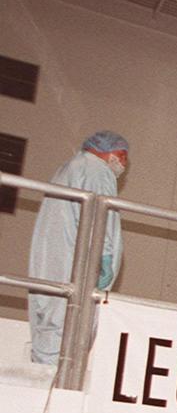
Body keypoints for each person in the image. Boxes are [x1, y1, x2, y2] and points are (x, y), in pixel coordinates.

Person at [28, 131, 128, 365]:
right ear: (106, 152)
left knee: (51, 327)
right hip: (76, 268)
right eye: (122, 156)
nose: (123, 164)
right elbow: (97, 216)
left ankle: (47, 378)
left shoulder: (69, 168)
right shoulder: (98, 171)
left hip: (53, 265)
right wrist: (102, 258)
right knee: (69, 329)